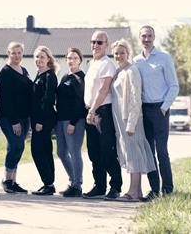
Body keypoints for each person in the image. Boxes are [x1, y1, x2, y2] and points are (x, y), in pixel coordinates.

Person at [134, 26, 179, 201]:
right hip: (143, 110)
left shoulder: (164, 58)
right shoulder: (136, 60)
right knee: (148, 153)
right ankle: (154, 190)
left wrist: (164, 107)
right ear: (139, 38)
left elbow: (173, 85)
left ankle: (167, 190)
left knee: (161, 151)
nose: (146, 39)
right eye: (143, 36)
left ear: (154, 37)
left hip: (160, 109)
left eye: (149, 36)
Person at [110, 39, 156, 202]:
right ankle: (137, 191)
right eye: (116, 53)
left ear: (128, 53)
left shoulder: (132, 70)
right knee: (129, 154)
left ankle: (133, 192)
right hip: (119, 120)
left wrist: (131, 122)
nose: (119, 56)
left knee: (134, 153)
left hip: (131, 120)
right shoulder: (118, 71)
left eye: (122, 52)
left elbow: (136, 99)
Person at [83, 31, 122, 200]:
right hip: (90, 111)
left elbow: (104, 89)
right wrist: (89, 110)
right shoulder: (92, 64)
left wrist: (92, 111)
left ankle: (115, 187)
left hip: (102, 111)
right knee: (94, 152)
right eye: (93, 42)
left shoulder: (107, 64)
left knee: (107, 151)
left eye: (99, 42)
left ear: (106, 44)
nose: (95, 45)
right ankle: (99, 186)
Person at [0, 42, 33, 194]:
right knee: (17, 145)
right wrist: (14, 121)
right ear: (8, 53)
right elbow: (6, 99)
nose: (17, 56)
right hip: (9, 117)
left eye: (19, 53)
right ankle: (6, 180)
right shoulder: (5, 72)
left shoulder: (23, 70)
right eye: (14, 53)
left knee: (16, 147)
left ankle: (13, 181)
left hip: (24, 117)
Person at [55, 48, 86, 197]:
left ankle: (77, 185)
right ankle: (72, 180)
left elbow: (81, 102)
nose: (71, 60)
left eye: (74, 58)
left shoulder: (81, 78)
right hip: (60, 120)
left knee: (74, 152)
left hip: (74, 120)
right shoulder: (65, 76)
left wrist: (73, 123)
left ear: (79, 60)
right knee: (61, 152)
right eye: (69, 58)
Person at [30, 46, 58, 196]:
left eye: (42, 57)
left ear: (48, 59)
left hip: (44, 120)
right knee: (43, 150)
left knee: (39, 150)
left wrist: (40, 121)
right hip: (37, 120)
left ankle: (48, 183)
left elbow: (47, 100)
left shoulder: (49, 76)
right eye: (37, 57)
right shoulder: (39, 74)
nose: (39, 60)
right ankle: (48, 183)